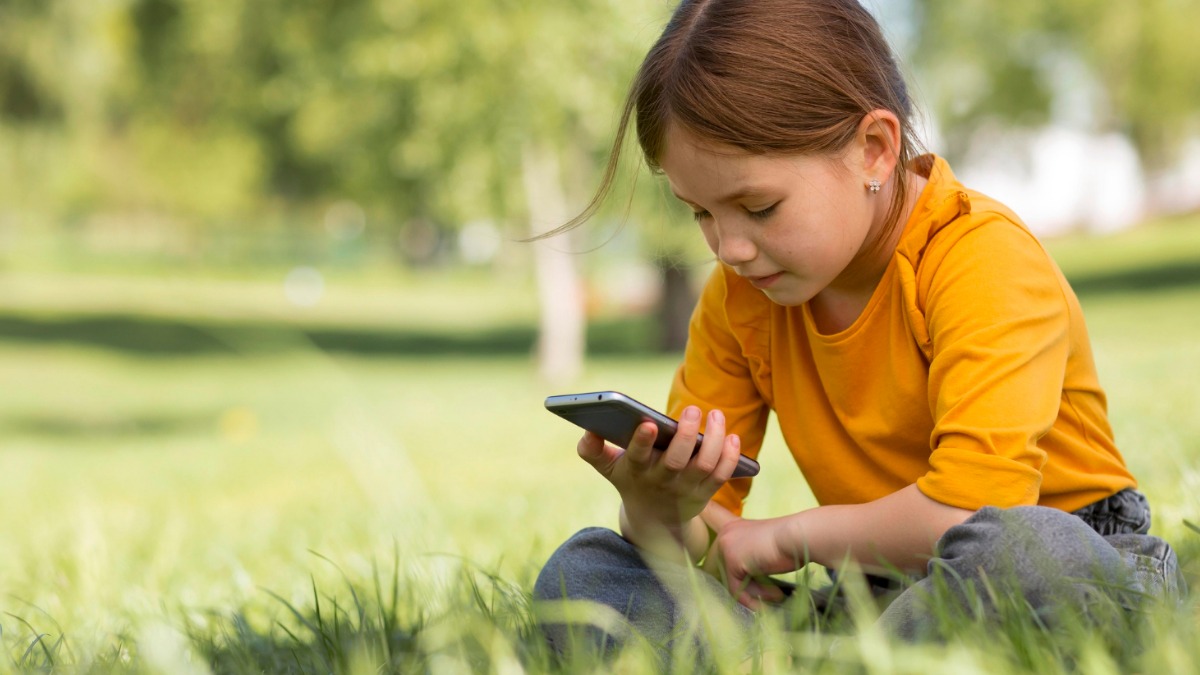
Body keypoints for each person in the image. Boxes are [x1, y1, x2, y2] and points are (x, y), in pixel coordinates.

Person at [532, 0, 1184, 664]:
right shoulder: (740, 301)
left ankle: (826, 656)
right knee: (582, 575)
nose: (728, 247)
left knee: (1023, 553)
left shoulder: (980, 258)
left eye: (759, 207)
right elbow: (716, 544)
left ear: (874, 150)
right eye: (701, 212)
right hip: (876, 590)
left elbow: (971, 510)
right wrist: (655, 512)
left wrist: (786, 539)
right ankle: (858, 654)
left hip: (1055, 552)